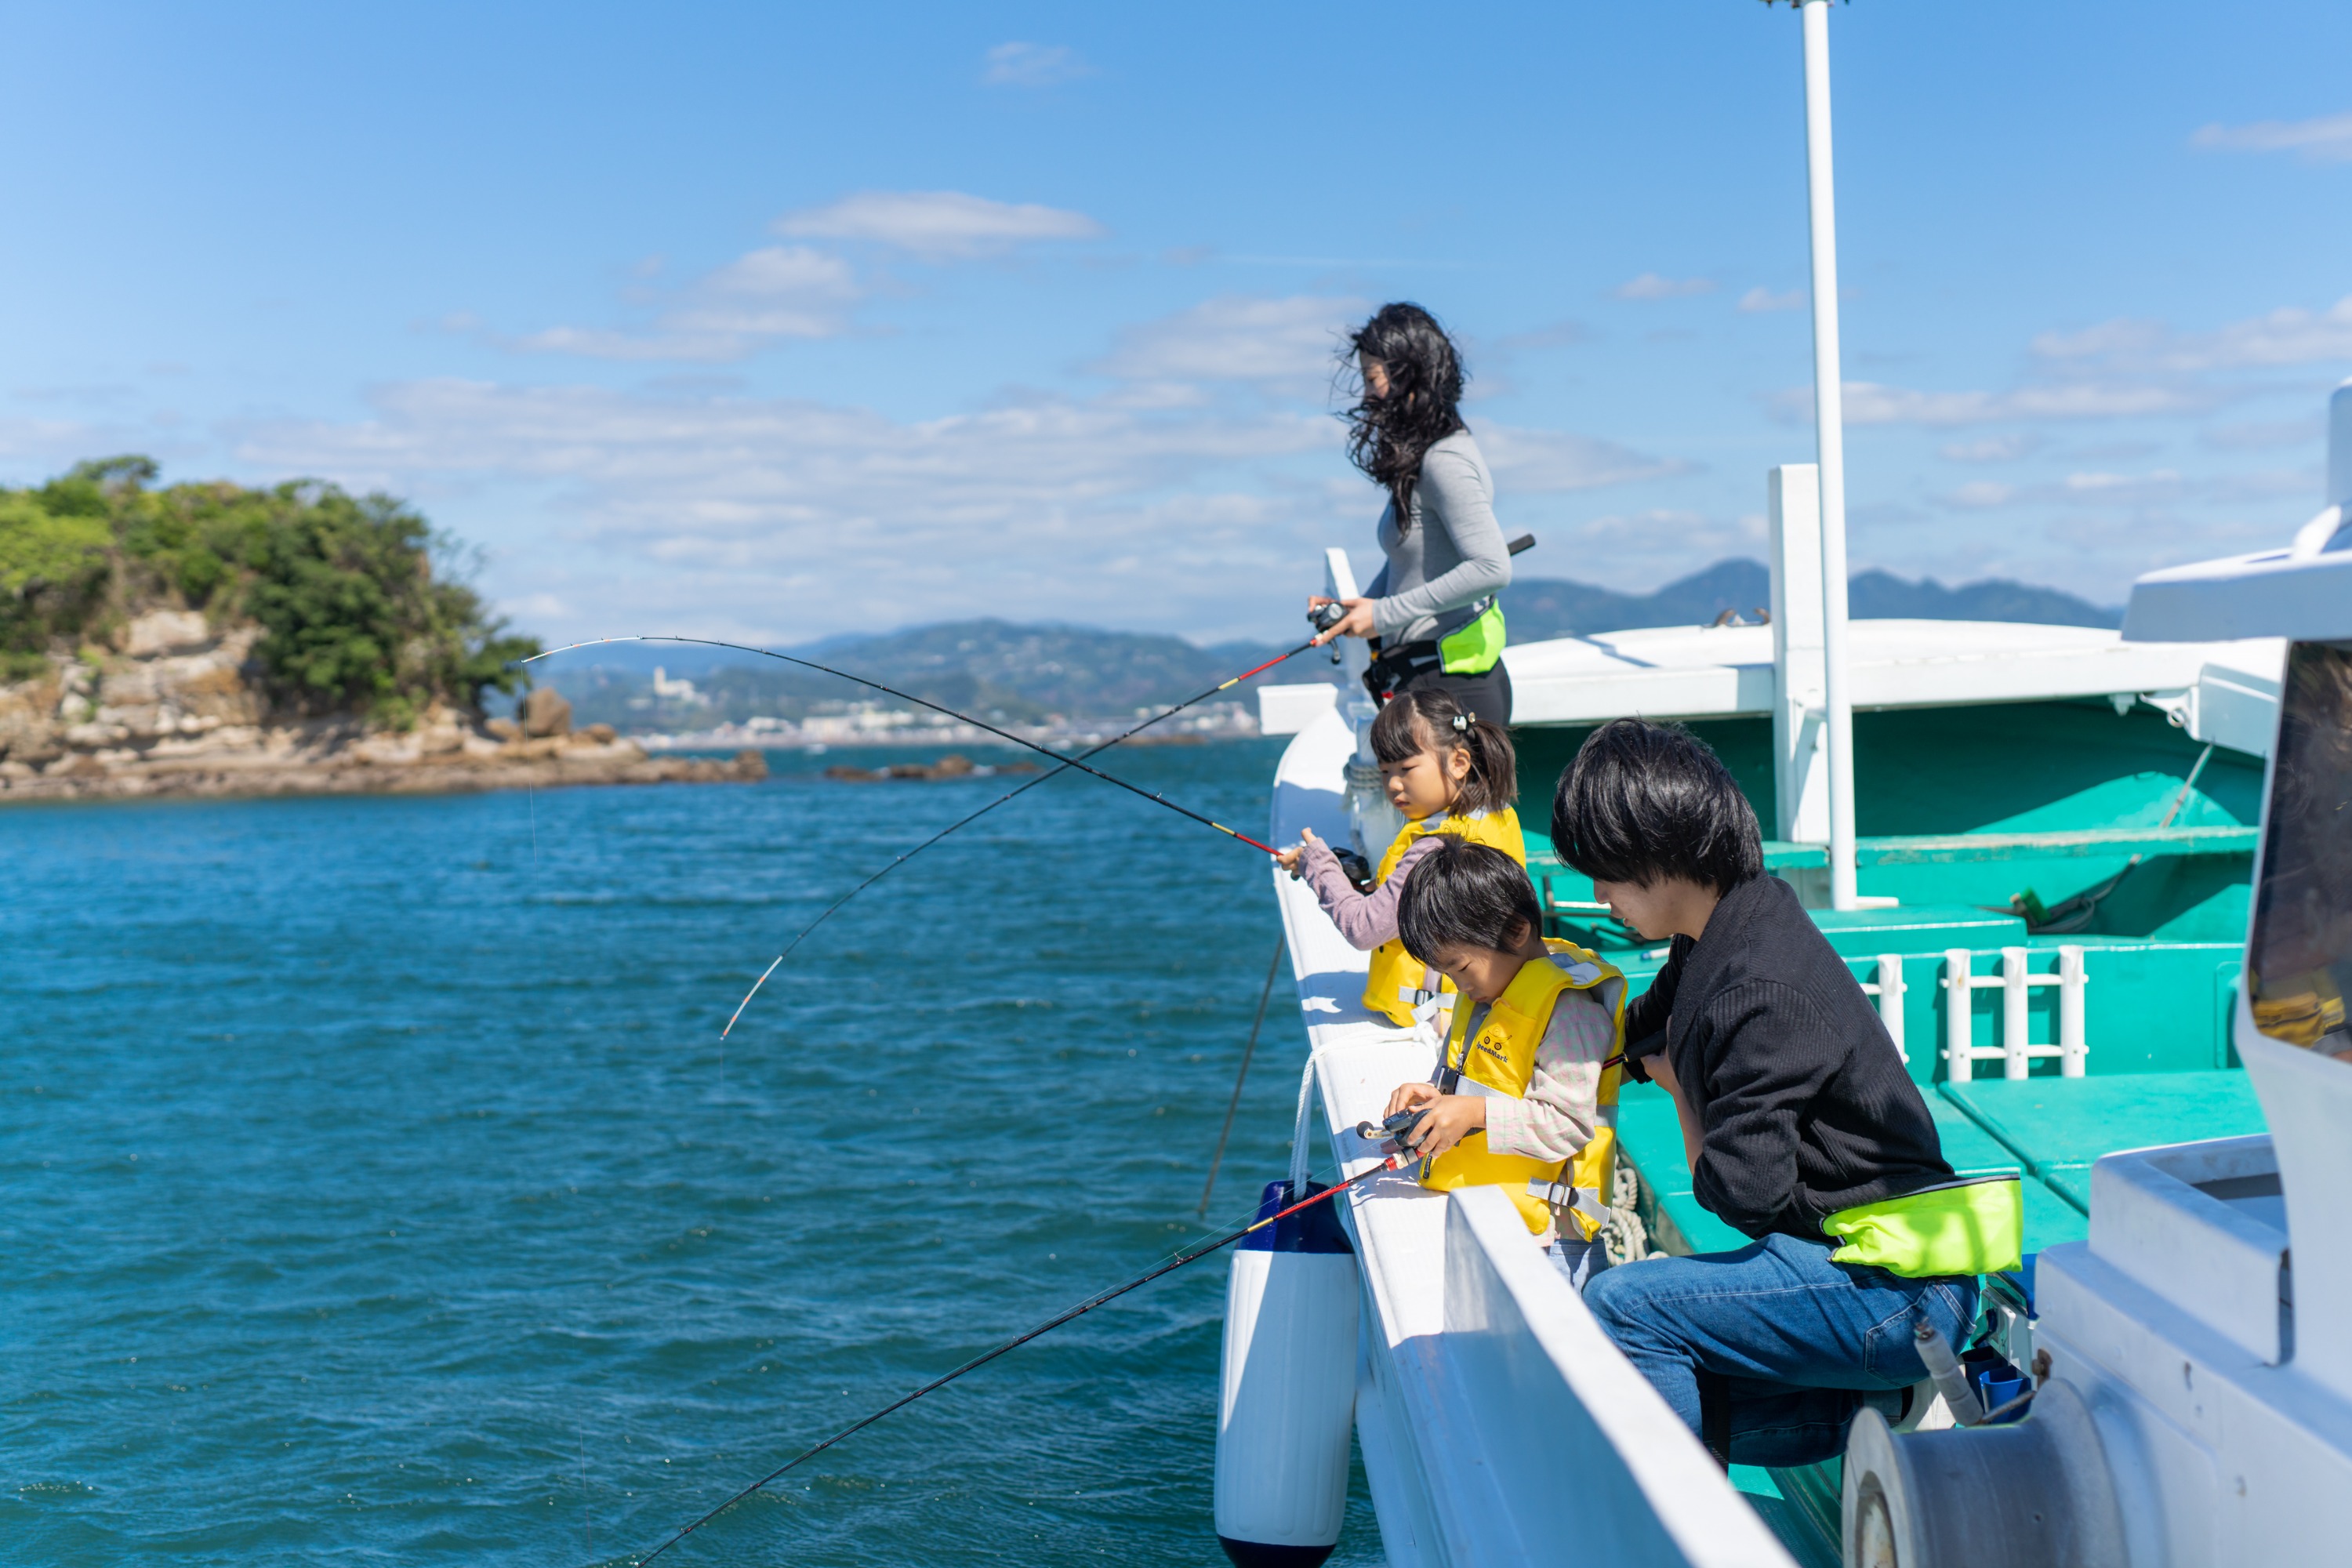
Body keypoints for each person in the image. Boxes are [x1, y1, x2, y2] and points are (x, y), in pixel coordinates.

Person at [1557, 719, 2016, 1467]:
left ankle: (1680, 1531)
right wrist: (1526, 1080)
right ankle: (1880, 1404)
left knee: (1624, 1310)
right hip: (1864, 1266)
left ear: (1661, 853)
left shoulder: (1761, 990)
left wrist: (1677, 1094)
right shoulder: (1728, 921)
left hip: (1900, 1294)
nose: (1599, 894)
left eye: (1605, 871)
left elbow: (1746, 1194)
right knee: (1641, 1384)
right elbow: (1644, 1033)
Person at [1379, 837, 1626, 1290]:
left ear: (1516, 931)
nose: (1458, 985)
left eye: (1460, 968)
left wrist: (1473, 1113)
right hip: (1495, 1221)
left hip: (1551, 1247)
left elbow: (1568, 1124)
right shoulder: (1493, 992)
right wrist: (1437, 1100)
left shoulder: (1570, 1012)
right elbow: (1486, 1086)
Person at [1307, 302, 1515, 729]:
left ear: (1409, 375)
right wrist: (1355, 611)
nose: (1367, 395)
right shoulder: (1420, 462)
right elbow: (1411, 562)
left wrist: (1381, 616)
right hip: (1421, 678)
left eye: (1372, 379)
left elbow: (1492, 567)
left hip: (1452, 687)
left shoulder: (1446, 461)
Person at [1276, 688, 1523, 1027]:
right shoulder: (1493, 813)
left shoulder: (1436, 846)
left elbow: (1363, 929)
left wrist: (1316, 866)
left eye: (1406, 768)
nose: (1392, 784)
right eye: (1384, 771)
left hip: (1440, 1018)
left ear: (1459, 762)